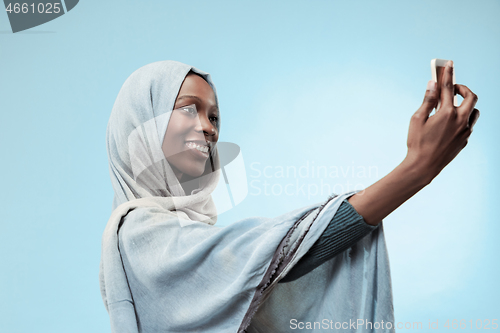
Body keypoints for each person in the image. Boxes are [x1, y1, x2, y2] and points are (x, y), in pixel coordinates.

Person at [99, 60, 479, 333]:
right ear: (141, 124)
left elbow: (271, 264)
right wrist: (416, 169)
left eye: (214, 117)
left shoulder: (196, 238)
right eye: (187, 109)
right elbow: (292, 252)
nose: (208, 128)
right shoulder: (137, 231)